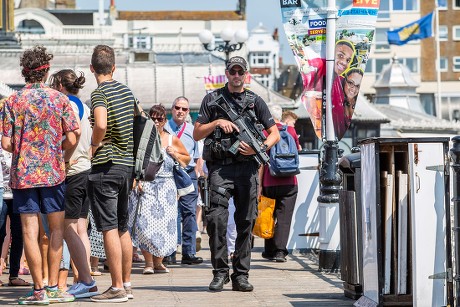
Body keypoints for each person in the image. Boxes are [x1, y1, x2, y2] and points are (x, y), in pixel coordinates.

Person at [193, 56, 280, 292]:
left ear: (246, 74)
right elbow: (197, 133)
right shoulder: (212, 100)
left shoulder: (255, 101)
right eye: (233, 71)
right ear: (227, 73)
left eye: (241, 72)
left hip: (247, 169)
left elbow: (274, 134)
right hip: (220, 169)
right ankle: (220, 273)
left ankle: (241, 274)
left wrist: (258, 148)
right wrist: (217, 122)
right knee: (216, 221)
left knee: (245, 222)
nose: (237, 76)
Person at [1, 45, 79, 305]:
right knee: (56, 229)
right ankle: (55, 287)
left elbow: (6, 144)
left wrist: (25, 147)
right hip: (54, 173)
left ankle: (38, 290)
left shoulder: (12, 101)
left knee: (29, 231)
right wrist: (56, 150)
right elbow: (72, 136)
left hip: (23, 174)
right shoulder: (59, 99)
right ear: (46, 71)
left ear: (24, 72)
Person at [87, 44, 135, 303]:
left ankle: (115, 287)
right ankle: (126, 284)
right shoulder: (128, 92)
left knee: (107, 227)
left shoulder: (99, 93)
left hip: (106, 165)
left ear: (92, 68)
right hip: (126, 166)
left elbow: (101, 123)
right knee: (122, 227)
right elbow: (140, 121)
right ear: (114, 67)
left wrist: (94, 144)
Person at [49, 69, 98, 298]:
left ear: (60, 84)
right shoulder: (84, 105)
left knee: (67, 229)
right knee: (80, 229)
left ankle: (86, 279)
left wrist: (64, 159)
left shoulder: (67, 103)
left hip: (73, 172)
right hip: (85, 169)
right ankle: (83, 278)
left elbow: (73, 135)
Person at [128, 104, 190, 274]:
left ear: (164, 120)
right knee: (144, 224)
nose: (156, 121)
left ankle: (158, 262)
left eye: (159, 118)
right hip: (146, 184)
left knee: (164, 226)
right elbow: (134, 161)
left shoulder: (172, 139)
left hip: (166, 188)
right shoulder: (142, 139)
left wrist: (175, 154)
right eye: (152, 118)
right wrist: (136, 180)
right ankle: (148, 262)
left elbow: (187, 160)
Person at [165, 97, 203, 265]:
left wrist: (196, 174)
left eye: (184, 109)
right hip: (169, 173)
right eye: (177, 107)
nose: (180, 111)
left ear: (188, 112)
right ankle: (169, 252)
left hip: (188, 174)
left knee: (189, 213)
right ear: (172, 109)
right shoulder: (164, 128)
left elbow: (197, 156)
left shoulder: (192, 130)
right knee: (170, 213)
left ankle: (189, 253)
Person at [260, 105, 300, 263]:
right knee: (284, 218)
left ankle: (269, 250)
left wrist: (259, 185)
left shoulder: (264, 132)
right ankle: (280, 252)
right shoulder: (290, 131)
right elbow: (297, 150)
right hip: (290, 181)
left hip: (269, 181)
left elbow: (261, 162)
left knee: (269, 214)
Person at [332, 68, 364, 139]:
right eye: (350, 83)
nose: (353, 88)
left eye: (357, 86)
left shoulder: (358, 104)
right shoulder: (336, 95)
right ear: (344, 80)